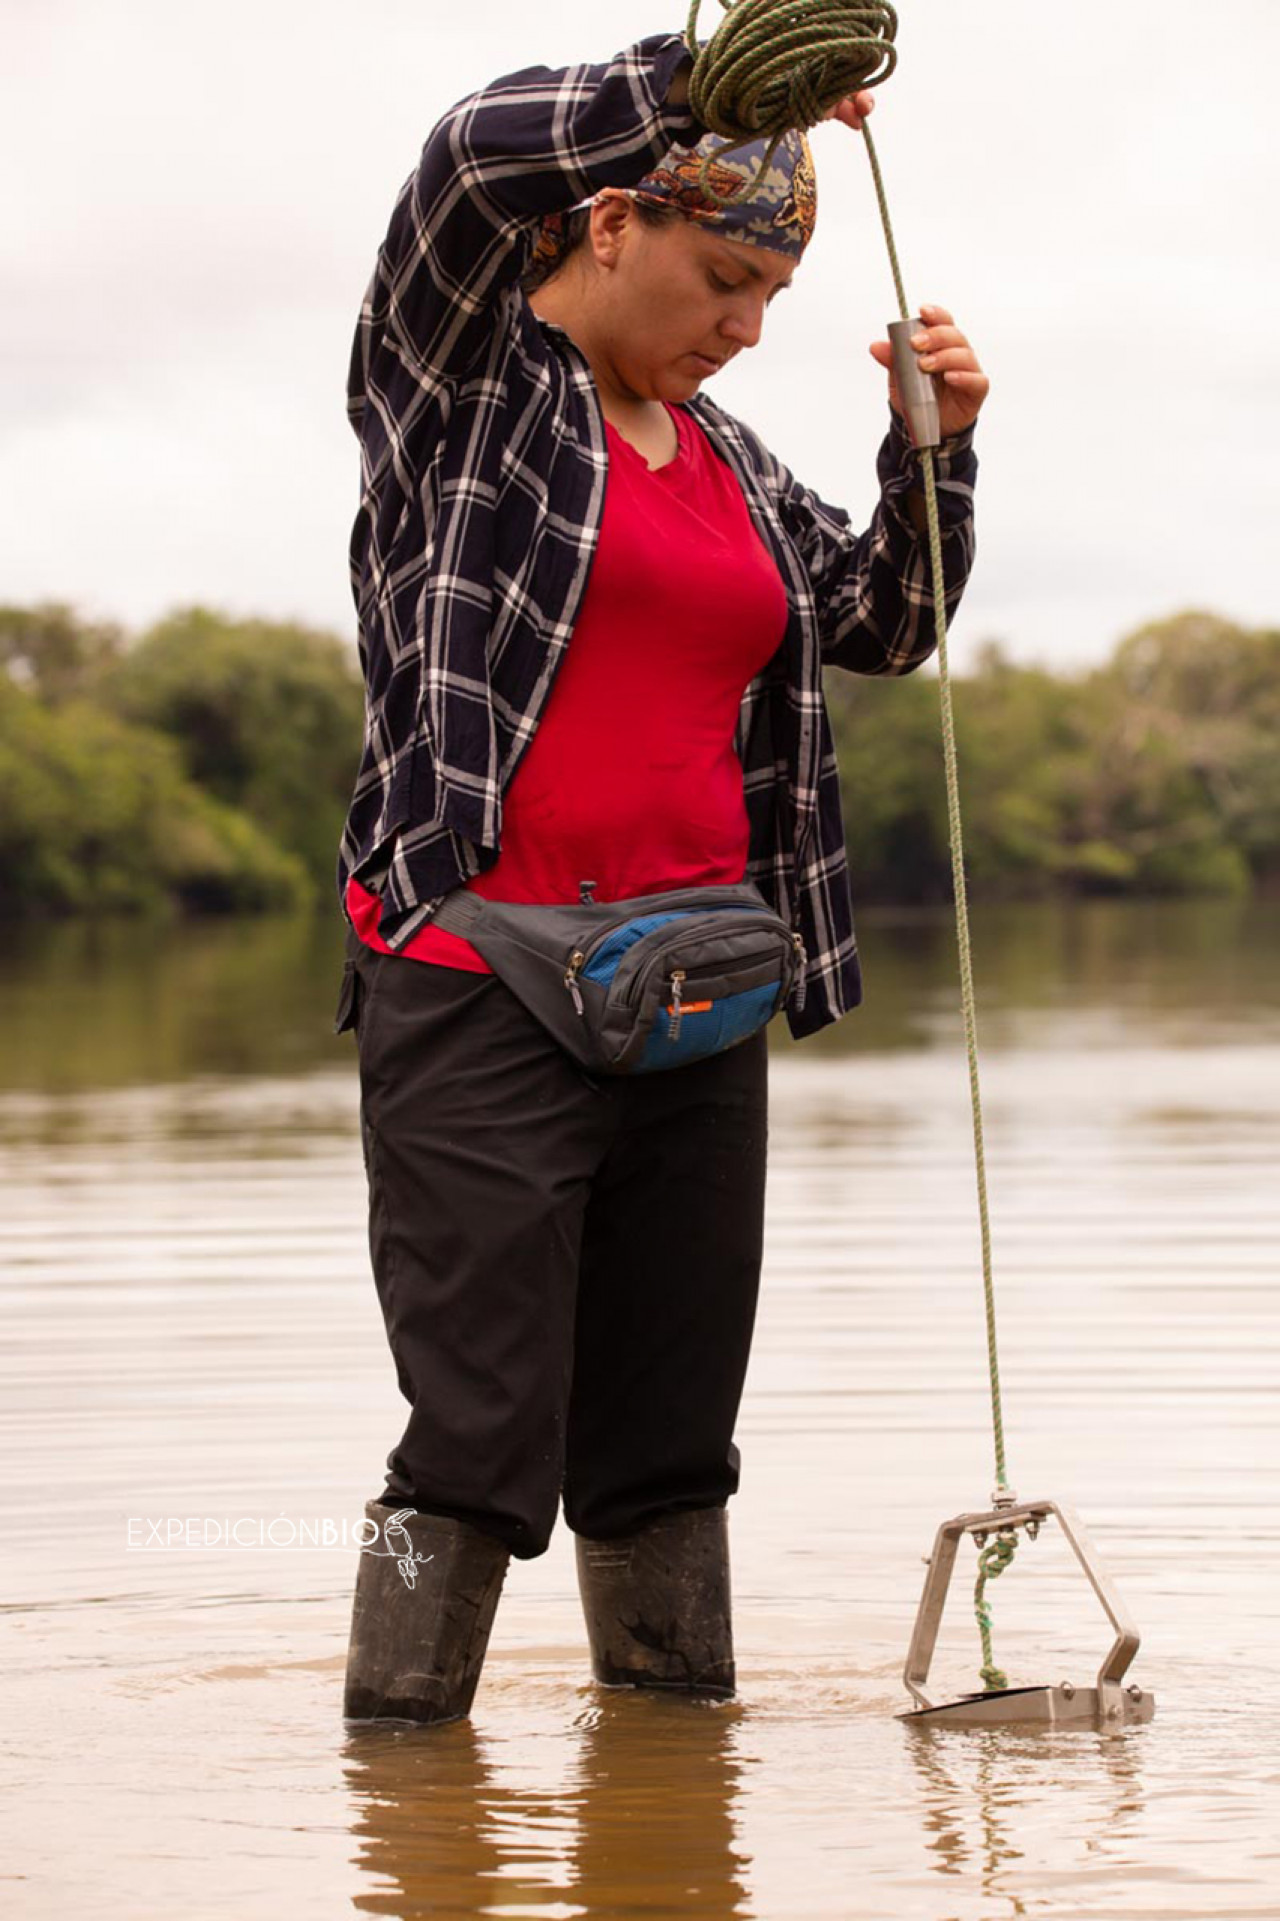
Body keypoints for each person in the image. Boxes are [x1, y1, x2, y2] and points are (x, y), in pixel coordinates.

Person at [335, 25, 987, 1726]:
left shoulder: (736, 464)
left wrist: (933, 451)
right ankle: (395, 1761)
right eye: (724, 278)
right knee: (473, 1439)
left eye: (773, 293)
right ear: (615, 221)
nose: (747, 325)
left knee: (668, 1444)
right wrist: (705, 83)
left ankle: (676, 1794)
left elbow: (886, 621)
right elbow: (470, 160)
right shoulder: (461, 388)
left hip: (698, 994)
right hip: (477, 984)